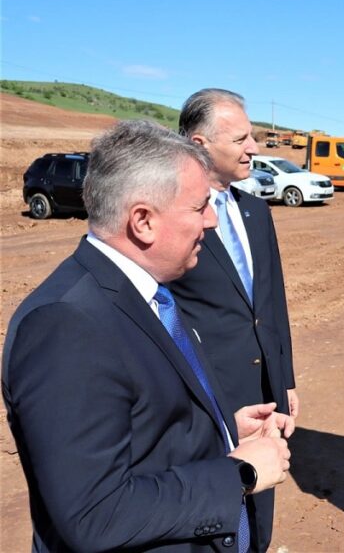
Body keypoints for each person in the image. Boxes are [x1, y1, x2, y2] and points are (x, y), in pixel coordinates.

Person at [2, 120, 293, 552]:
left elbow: (140, 426)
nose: (212, 220)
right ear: (143, 221)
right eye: (199, 207)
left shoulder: (149, 294)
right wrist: (239, 473)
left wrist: (223, 432)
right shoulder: (66, 325)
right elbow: (96, 513)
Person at [169, 88, 297, 551]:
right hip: (207, 396)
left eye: (252, 137)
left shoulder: (255, 210)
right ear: (200, 145)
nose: (254, 148)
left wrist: (285, 380)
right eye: (241, 139)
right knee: (216, 514)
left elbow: (272, 303)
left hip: (264, 394)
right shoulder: (175, 219)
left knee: (261, 510)